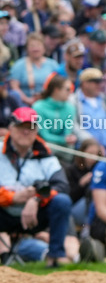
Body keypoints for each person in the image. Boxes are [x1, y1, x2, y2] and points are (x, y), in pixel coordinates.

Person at [0, 107, 72, 266]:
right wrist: (12, 198)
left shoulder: (46, 156)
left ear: (36, 131)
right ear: (11, 128)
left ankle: (55, 257)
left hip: (35, 217)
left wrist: (36, 199)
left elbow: (62, 185)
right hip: (3, 214)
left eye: (31, 128)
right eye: (21, 127)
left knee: (62, 201)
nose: (26, 132)